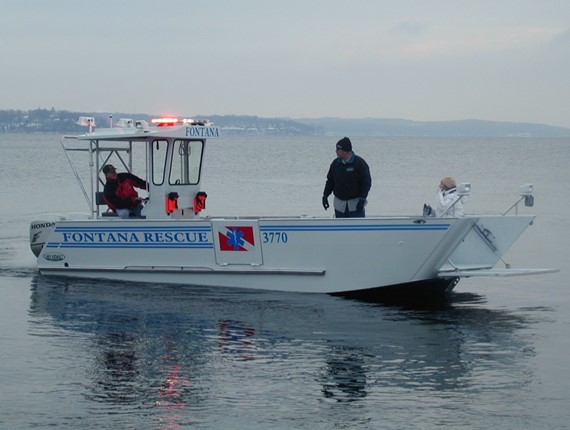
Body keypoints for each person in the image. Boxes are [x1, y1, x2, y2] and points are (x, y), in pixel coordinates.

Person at [322, 137, 371, 218]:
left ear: (344, 151)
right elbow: (330, 181)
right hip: (339, 206)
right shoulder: (335, 164)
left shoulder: (360, 163)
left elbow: (367, 183)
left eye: (337, 149)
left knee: (357, 229)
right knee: (340, 230)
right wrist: (325, 196)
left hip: (355, 205)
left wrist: (362, 199)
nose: (336, 151)